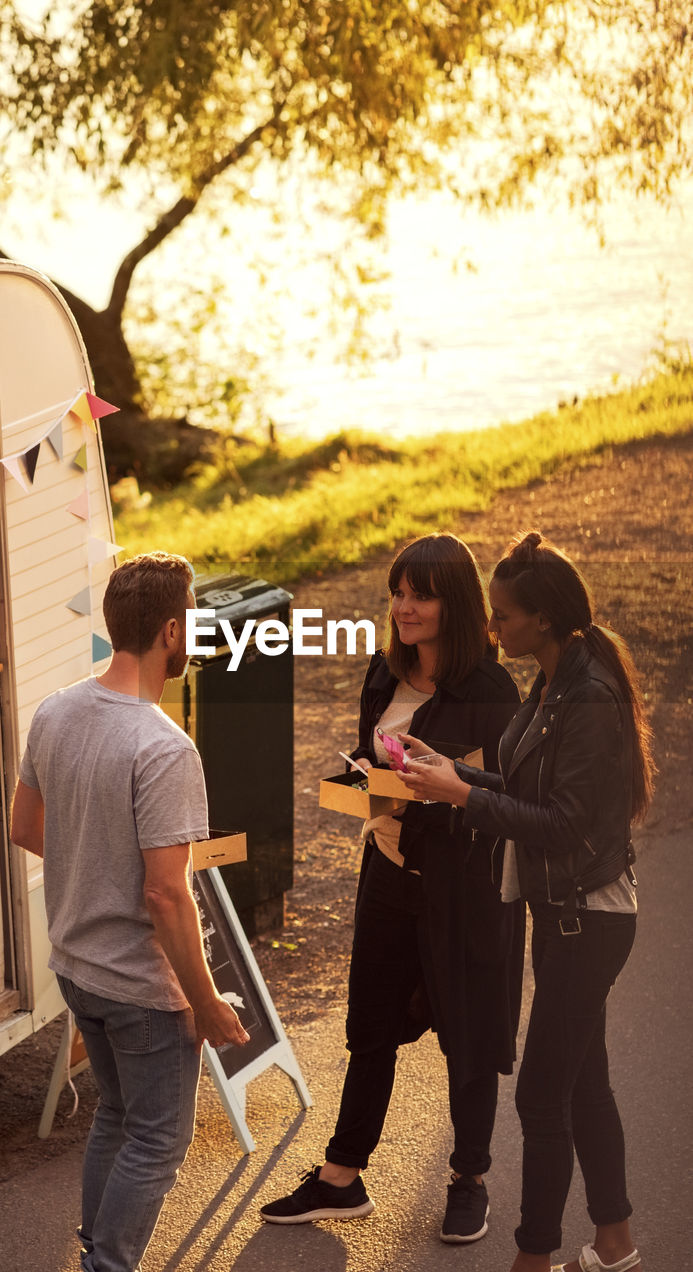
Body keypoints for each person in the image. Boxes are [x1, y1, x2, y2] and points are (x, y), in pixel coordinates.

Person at [399, 531, 653, 1272]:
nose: (490, 627)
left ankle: (531, 1259)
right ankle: (614, 1244)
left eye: (502, 616)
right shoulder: (552, 682)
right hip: (562, 915)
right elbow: (525, 792)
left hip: (588, 921)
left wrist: (460, 799)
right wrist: (454, 776)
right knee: (583, 1086)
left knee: (541, 1099)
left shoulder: (589, 697)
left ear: (540, 619)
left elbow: (563, 823)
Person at [261, 533, 523, 1244]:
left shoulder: (491, 693)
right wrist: (359, 792)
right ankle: (342, 1177)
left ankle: (468, 1179)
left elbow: (514, 797)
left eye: (421, 594)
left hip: (464, 892)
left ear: (456, 603)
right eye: (398, 593)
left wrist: (443, 791)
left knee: (466, 1039)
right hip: (385, 876)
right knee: (368, 1027)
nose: (404, 607)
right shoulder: (384, 672)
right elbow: (365, 768)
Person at [10, 551, 249, 1272]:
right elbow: (165, 894)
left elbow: (24, 827)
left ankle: (93, 1254)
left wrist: (93, 862)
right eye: (195, 623)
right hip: (141, 989)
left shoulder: (56, 710)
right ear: (171, 631)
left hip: (77, 968)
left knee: (116, 1116)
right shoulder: (163, 747)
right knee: (156, 1140)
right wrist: (203, 1003)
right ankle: (105, 1267)